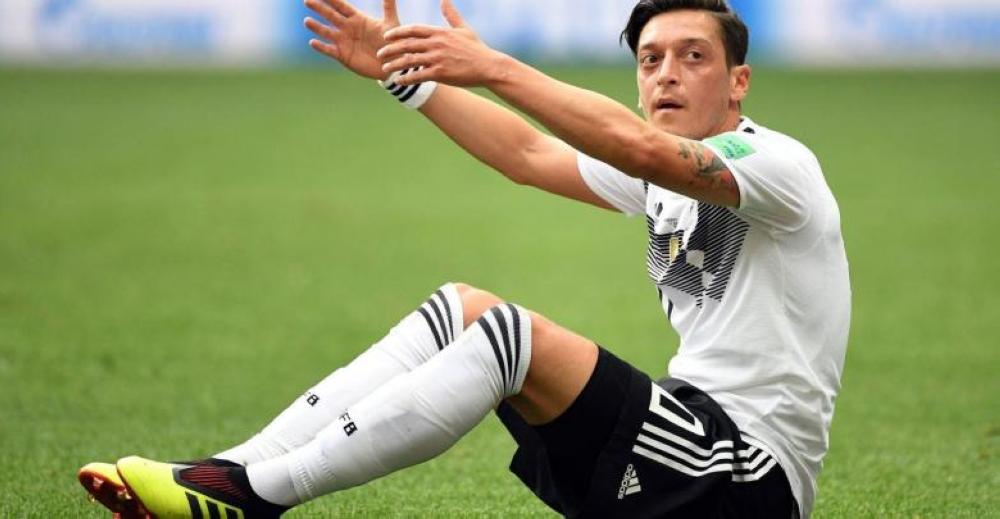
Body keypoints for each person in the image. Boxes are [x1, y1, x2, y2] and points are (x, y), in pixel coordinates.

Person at [78, 0, 850, 517]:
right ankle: (223, 474)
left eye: (693, 56)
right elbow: (528, 154)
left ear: (739, 82)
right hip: (686, 433)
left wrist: (494, 66)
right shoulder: (660, 171)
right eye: (650, 60)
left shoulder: (774, 164)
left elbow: (639, 146)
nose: (667, 73)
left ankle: (257, 496)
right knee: (462, 308)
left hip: (748, 475)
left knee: (510, 338)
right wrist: (408, 78)